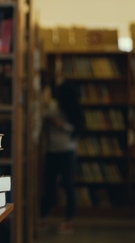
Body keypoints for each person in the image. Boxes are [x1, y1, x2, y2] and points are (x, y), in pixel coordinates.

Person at [40, 80, 84, 234]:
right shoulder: (53, 106)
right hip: (52, 150)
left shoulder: (74, 109)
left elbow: (78, 130)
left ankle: (68, 220)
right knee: (49, 185)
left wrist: (61, 125)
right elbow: (44, 119)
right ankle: (43, 217)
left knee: (68, 185)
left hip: (67, 151)